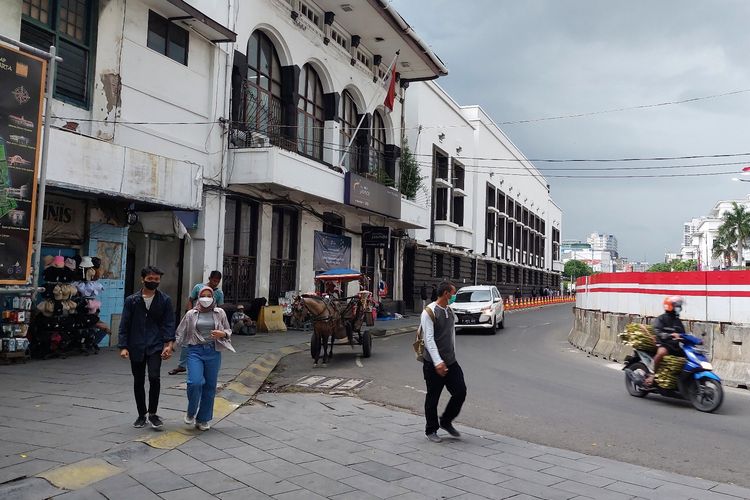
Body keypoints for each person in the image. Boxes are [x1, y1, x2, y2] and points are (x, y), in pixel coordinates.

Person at [118, 266, 175, 429]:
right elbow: (124, 324)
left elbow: (169, 323)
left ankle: (153, 413)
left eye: (156, 280)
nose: (153, 282)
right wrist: (123, 346)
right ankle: (141, 414)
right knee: (138, 380)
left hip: (156, 345)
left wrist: (168, 344)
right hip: (136, 345)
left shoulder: (164, 300)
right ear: (142, 279)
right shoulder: (132, 300)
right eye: (150, 279)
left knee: (154, 377)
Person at [175, 286, 234, 431]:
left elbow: (228, 330)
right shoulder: (191, 314)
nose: (206, 298)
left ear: (213, 297)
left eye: (209, 295)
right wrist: (170, 347)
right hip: (195, 350)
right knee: (194, 382)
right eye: (203, 295)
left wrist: (223, 334)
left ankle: (203, 419)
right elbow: (180, 332)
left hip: (213, 351)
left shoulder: (220, 313)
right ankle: (191, 410)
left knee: (209, 386)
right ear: (198, 297)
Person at [421, 280, 466, 443]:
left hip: (451, 361)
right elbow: (429, 339)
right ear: (446, 293)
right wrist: (438, 362)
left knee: (460, 391)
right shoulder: (429, 312)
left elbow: (451, 335)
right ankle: (431, 430)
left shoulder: (449, 310)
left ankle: (446, 421)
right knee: (433, 397)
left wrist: (451, 354)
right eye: (453, 293)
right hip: (433, 364)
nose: (454, 296)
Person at [170, 271, 225, 375]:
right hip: (196, 319)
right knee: (188, 342)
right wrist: (190, 313)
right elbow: (190, 299)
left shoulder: (219, 293)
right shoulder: (199, 287)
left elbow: (220, 307)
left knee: (208, 343)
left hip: (210, 322)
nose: (215, 283)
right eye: (214, 281)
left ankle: (205, 365)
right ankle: (182, 365)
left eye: (217, 281)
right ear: (209, 278)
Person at [645, 296, 686, 387]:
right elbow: (657, 331)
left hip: (675, 346)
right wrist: (669, 335)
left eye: (679, 306)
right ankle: (652, 375)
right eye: (677, 306)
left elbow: (683, 333)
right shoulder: (661, 319)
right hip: (664, 343)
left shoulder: (677, 321)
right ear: (670, 307)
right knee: (662, 352)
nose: (679, 308)